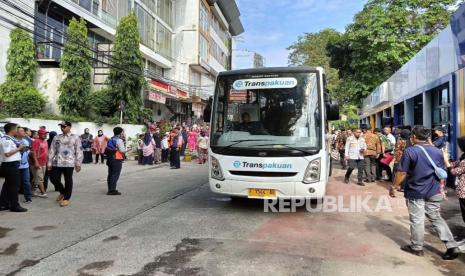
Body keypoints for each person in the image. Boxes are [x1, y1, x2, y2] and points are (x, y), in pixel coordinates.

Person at [390, 126, 461, 260]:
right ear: (428, 137)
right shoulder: (437, 151)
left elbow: (401, 172)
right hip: (434, 190)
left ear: (414, 137)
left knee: (417, 219)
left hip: (416, 191)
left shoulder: (410, 151)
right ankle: (452, 246)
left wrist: (393, 187)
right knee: (436, 217)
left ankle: (417, 247)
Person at [48, 121, 83, 207]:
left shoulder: (75, 137)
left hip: (69, 162)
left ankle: (66, 198)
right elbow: (52, 150)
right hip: (57, 162)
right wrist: (49, 162)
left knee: (68, 180)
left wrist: (78, 163)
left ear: (69, 127)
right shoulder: (56, 137)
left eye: (64, 126)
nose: (62, 128)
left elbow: (79, 151)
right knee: (53, 178)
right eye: (61, 126)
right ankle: (63, 192)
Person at [0, 123, 28, 212]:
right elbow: (7, 153)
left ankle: (3, 204)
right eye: (16, 129)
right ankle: (15, 206)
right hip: (10, 165)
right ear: (12, 130)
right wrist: (19, 148)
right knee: (14, 186)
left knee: (8, 186)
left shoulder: (10, 139)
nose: (17, 131)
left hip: (11, 165)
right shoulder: (6, 140)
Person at [444, 136, 465, 224]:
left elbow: (454, 171)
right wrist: (446, 158)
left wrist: (446, 161)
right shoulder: (463, 156)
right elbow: (455, 163)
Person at [105, 127, 127, 195]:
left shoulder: (111, 139)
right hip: (116, 158)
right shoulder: (119, 140)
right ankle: (112, 190)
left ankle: (110, 189)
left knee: (110, 174)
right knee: (115, 174)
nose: (123, 133)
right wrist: (128, 149)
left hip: (110, 158)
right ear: (120, 132)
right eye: (123, 132)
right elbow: (122, 150)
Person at [16, 127, 34, 203]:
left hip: (25, 165)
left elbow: (28, 152)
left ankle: (28, 197)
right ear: (16, 132)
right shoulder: (13, 141)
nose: (24, 132)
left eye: (24, 131)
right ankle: (13, 199)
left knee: (26, 182)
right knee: (16, 183)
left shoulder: (26, 141)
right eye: (22, 131)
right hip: (16, 166)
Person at [31, 129, 49, 199]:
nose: (45, 135)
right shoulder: (36, 141)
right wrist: (36, 162)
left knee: (36, 178)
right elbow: (34, 152)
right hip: (37, 163)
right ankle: (43, 193)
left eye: (46, 134)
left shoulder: (45, 142)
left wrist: (48, 161)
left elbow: (46, 152)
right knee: (40, 178)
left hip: (43, 162)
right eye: (43, 134)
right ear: (39, 134)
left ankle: (32, 191)